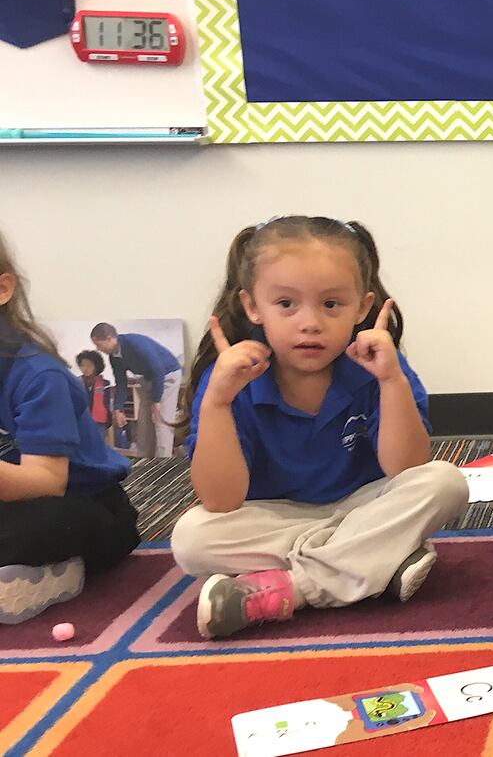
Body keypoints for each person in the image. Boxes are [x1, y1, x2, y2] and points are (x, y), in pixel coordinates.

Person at [171, 216, 467, 639]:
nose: (309, 323)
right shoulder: (229, 380)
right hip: (276, 518)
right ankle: (372, 561)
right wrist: (218, 401)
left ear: (362, 308)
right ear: (253, 306)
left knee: (445, 482)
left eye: (331, 305)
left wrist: (389, 381)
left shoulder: (378, 366)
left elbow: (407, 466)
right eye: (286, 304)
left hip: (364, 505)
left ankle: (296, 588)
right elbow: (221, 500)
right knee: (191, 538)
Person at [0, 231, 139, 624]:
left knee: (36, 527)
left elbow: (46, 482)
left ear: (3, 289)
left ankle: (53, 571)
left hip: (83, 506)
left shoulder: (37, 375)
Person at [91, 321, 182, 458]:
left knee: (160, 421)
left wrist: (156, 401)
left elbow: (158, 370)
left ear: (109, 339)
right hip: (148, 379)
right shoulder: (114, 357)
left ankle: (163, 464)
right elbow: (121, 382)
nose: (98, 349)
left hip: (167, 376)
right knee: (144, 424)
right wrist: (118, 408)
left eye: (98, 344)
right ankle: (146, 462)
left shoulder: (135, 343)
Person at [76, 350, 114, 442]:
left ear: (96, 366)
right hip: (80, 422)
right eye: (82, 365)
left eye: (89, 365)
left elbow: (107, 405)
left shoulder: (105, 384)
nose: (85, 368)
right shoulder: (75, 383)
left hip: (99, 423)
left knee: (98, 448)